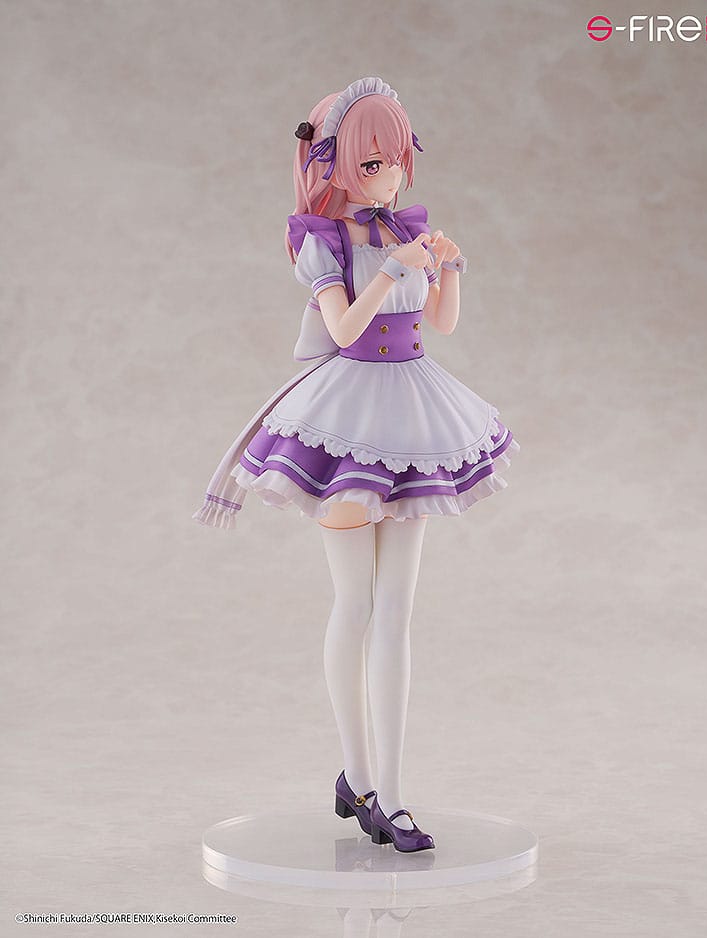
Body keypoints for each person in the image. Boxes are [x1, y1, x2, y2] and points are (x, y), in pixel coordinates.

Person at [193, 77, 520, 852]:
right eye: (373, 163)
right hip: (346, 420)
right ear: (336, 165)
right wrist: (389, 271)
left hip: (412, 412)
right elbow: (341, 331)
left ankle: (393, 793)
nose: (390, 175)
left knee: (398, 611)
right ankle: (360, 777)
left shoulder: (405, 229)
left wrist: (447, 269)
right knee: (357, 604)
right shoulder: (326, 241)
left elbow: (439, 323)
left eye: (397, 158)